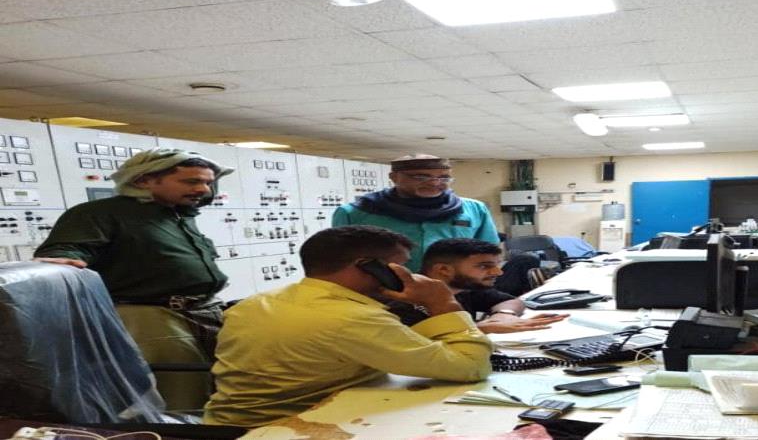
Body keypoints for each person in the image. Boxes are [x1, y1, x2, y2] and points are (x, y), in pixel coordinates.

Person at [204, 225, 492, 427]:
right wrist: (443, 302)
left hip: (231, 421)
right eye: (401, 265)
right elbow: (470, 367)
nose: (409, 273)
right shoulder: (351, 317)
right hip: (282, 428)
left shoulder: (261, 300)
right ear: (369, 267)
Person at [33, 147, 234, 361]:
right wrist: (62, 260)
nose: (203, 189)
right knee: (181, 378)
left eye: (208, 183)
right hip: (152, 316)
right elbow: (67, 249)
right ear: (142, 181)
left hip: (203, 310)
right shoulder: (100, 213)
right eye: (191, 182)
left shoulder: (177, 214)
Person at [332, 153, 499, 272]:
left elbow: (487, 254)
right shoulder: (355, 212)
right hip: (381, 291)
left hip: (455, 290)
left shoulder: (474, 209)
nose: (434, 183)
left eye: (443, 178)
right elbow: (340, 261)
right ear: (394, 177)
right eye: (421, 177)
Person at [387, 238, 568, 334]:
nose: (498, 272)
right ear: (443, 270)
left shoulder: (464, 289)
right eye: (484, 266)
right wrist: (479, 329)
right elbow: (409, 344)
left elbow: (512, 301)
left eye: (497, 264)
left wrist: (504, 316)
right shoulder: (402, 302)